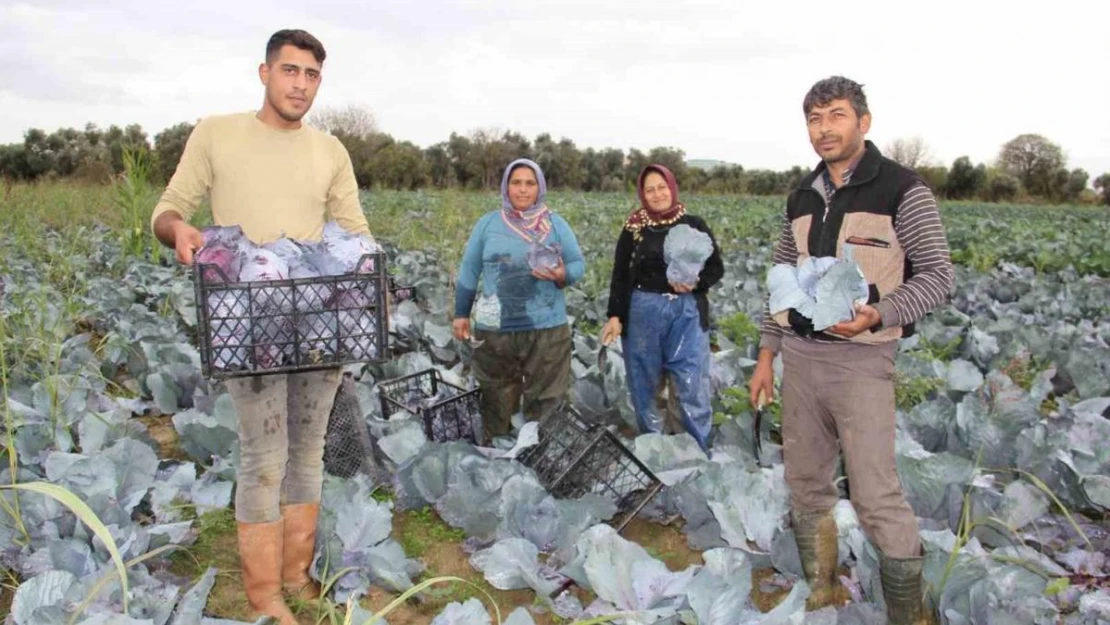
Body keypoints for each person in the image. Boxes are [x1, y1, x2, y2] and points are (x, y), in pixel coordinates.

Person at [150, 29, 373, 625]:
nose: (300, 84)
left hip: (317, 316)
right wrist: (179, 232)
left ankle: (296, 578)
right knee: (263, 457)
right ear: (265, 72)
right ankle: (262, 598)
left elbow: (352, 227)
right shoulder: (217, 133)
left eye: (312, 75)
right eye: (290, 71)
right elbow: (169, 207)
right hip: (245, 321)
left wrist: (366, 260)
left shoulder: (330, 151)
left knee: (309, 452)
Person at [749, 76, 954, 624]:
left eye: (836, 116)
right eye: (814, 119)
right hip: (802, 359)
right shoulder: (801, 195)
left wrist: (878, 312)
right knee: (805, 482)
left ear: (863, 122)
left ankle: (909, 614)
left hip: (864, 362)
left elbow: (939, 277)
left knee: (875, 493)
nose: (824, 129)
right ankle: (823, 591)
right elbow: (781, 284)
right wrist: (767, 355)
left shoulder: (902, 190)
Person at [452, 158, 586, 441]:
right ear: (506, 187)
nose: (522, 190)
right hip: (495, 330)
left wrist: (562, 274)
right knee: (496, 399)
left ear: (539, 188)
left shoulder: (555, 225)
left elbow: (576, 264)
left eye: (529, 183)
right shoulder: (488, 224)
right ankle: (498, 461)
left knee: (547, 399)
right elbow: (469, 269)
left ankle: (542, 461)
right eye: (516, 183)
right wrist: (461, 313)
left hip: (547, 328)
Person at [601, 164, 724, 452]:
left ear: (672, 187)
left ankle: (693, 452)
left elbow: (716, 268)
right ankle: (654, 453)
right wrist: (615, 315)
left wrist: (695, 283)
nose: (657, 194)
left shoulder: (694, 225)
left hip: (687, 314)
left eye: (661, 187)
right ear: (642, 194)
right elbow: (620, 274)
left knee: (690, 383)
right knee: (645, 384)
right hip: (644, 314)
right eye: (649, 189)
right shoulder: (635, 228)